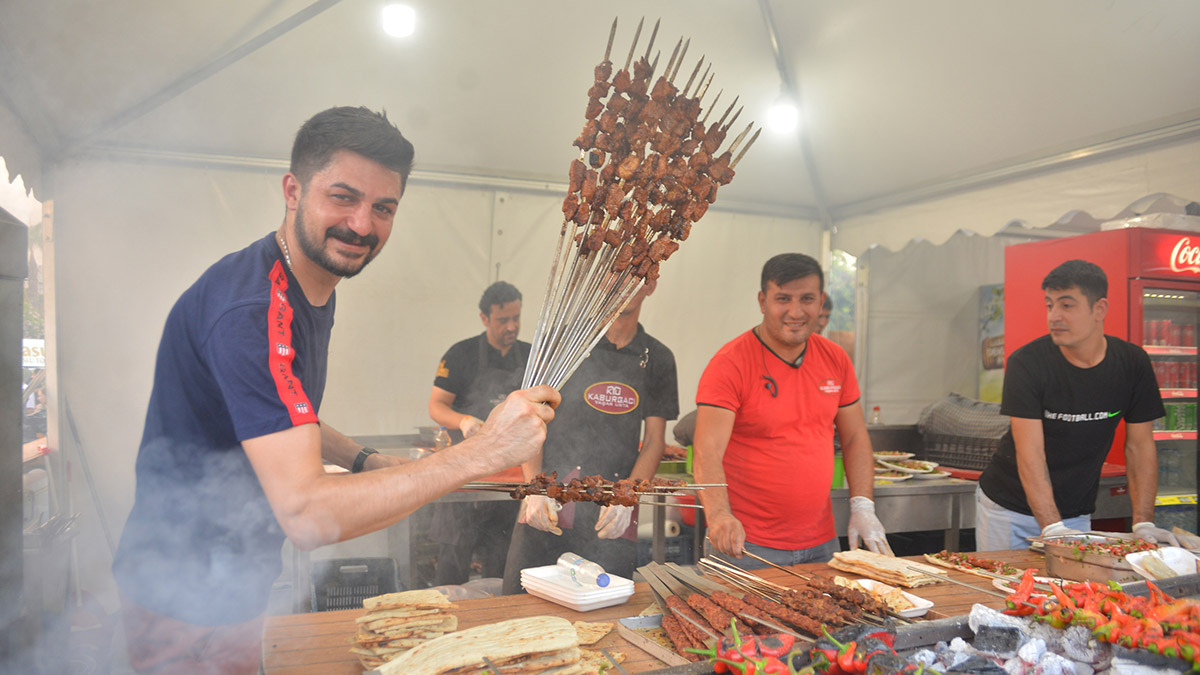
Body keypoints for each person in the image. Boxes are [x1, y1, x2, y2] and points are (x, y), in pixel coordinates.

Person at [111, 106, 560, 674]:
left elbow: (274, 411)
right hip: (179, 596)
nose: (362, 225)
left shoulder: (309, 284)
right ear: (293, 190)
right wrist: (484, 451)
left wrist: (365, 459)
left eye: (383, 208)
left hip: (234, 585)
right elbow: (305, 514)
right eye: (343, 197)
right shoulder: (253, 308)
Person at [693, 253, 891, 569]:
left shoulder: (835, 358)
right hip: (746, 546)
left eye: (807, 299)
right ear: (762, 301)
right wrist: (718, 515)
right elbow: (707, 450)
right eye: (783, 299)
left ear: (821, 302)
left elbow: (854, 437)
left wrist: (863, 506)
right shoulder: (730, 363)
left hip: (823, 544)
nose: (796, 312)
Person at [976, 260, 1176, 550]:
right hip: (1009, 509)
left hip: (1075, 511)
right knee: (1002, 589)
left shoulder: (1132, 363)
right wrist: (1052, 527)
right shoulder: (1027, 363)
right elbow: (1030, 451)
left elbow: (1140, 446)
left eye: (1067, 305)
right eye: (1049, 305)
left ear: (1099, 309)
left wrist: (1143, 522)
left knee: (1073, 592)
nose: (1054, 316)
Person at [502, 279, 678, 593]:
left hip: (612, 508)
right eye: (615, 275)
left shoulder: (658, 358)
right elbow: (530, 417)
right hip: (549, 500)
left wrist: (629, 498)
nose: (623, 286)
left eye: (637, 276)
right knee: (523, 610)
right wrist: (534, 487)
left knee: (605, 615)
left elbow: (653, 440)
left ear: (650, 285)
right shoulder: (561, 343)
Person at [426, 281, 529, 584]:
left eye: (516, 318)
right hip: (464, 479)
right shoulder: (461, 355)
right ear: (484, 318)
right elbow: (436, 406)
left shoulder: (532, 356)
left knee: (502, 568)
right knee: (452, 570)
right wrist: (464, 421)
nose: (511, 327)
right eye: (502, 320)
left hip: (510, 483)